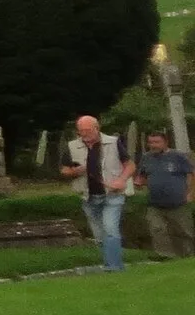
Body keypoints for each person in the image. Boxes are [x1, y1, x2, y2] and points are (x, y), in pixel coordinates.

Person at [61, 115, 134, 270]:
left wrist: (121, 180)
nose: (84, 134)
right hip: (88, 196)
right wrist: (74, 171)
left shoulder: (113, 142)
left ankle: (114, 267)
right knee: (100, 235)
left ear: (97, 128)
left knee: (110, 229)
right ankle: (110, 262)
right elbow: (64, 170)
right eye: (81, 131)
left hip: (112, 194)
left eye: (87, 130)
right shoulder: (72, 146)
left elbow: (130, 165)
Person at [135, 130, 194, 260]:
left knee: (183, 231)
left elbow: (191, 174)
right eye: (151, 142)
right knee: (157, 229)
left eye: (157, 142)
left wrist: (190, 194)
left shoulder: (178, 156)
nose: (153, 145)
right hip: (154, 203)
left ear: (166, 142)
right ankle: (166, 257)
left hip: (178, 202)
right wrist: (139, 182)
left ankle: (188, 257)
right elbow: (142, 176)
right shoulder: (146, 157)